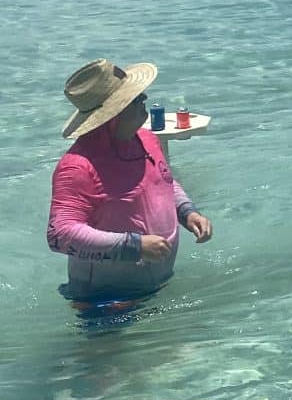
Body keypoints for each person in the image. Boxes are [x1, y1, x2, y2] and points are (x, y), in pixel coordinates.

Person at [47, 59, 214, 304]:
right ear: (114, 113)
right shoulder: (78, 166)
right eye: (136, 98)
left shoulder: (147, 140)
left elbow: (164, 181)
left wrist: (188, 213)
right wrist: (133, 245)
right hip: (104, 300)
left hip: (157, 284)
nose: (145, 97)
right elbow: (60, 235)